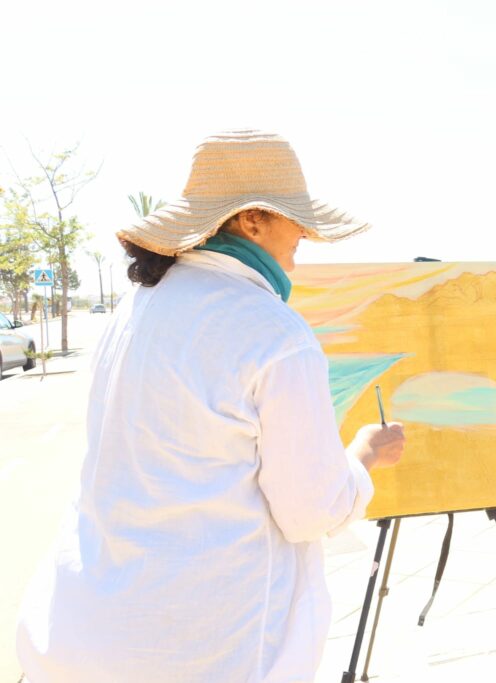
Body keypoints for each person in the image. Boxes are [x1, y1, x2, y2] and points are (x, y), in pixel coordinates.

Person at [16, 130, 405, 682]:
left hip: (80, 631)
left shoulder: (136, 306)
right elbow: (311, 512)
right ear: (252, 220)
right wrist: (363, 455)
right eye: (295, 218)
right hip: (201, 649)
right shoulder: (273, 331)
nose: (304, 234)